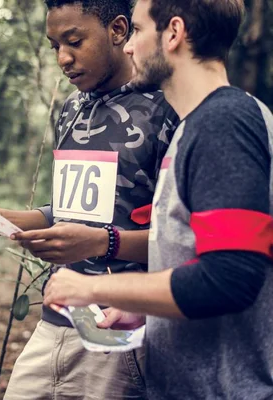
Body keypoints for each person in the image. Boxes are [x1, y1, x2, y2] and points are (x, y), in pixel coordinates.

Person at [42, 0, 273, 398]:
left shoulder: (225, 123)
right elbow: (193, 253)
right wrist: (145, 309)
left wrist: (93, 289)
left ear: (173, 33)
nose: (128, 47)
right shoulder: (198, 123)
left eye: (136, 30)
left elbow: (229, 277)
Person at [0, 0, 178, 398]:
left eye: (74, 41)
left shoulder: (167, 108)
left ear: (118, 30)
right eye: (54, 45)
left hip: (123, 331)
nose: (63, 58)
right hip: (56, 319)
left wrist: (104, 242)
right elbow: (68, 211)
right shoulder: (73, 109)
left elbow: (185, 242)